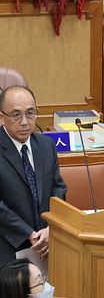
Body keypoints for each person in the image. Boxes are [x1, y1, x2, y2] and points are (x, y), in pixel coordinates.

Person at [0, 86, 67, 264]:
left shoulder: (46, 145)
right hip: (8, 242)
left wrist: (51, 227)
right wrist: (28, 234)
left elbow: (58, 188)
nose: (24, 122)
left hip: (48, 240)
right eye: (16, 115)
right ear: (2, 117)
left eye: (30, 113)